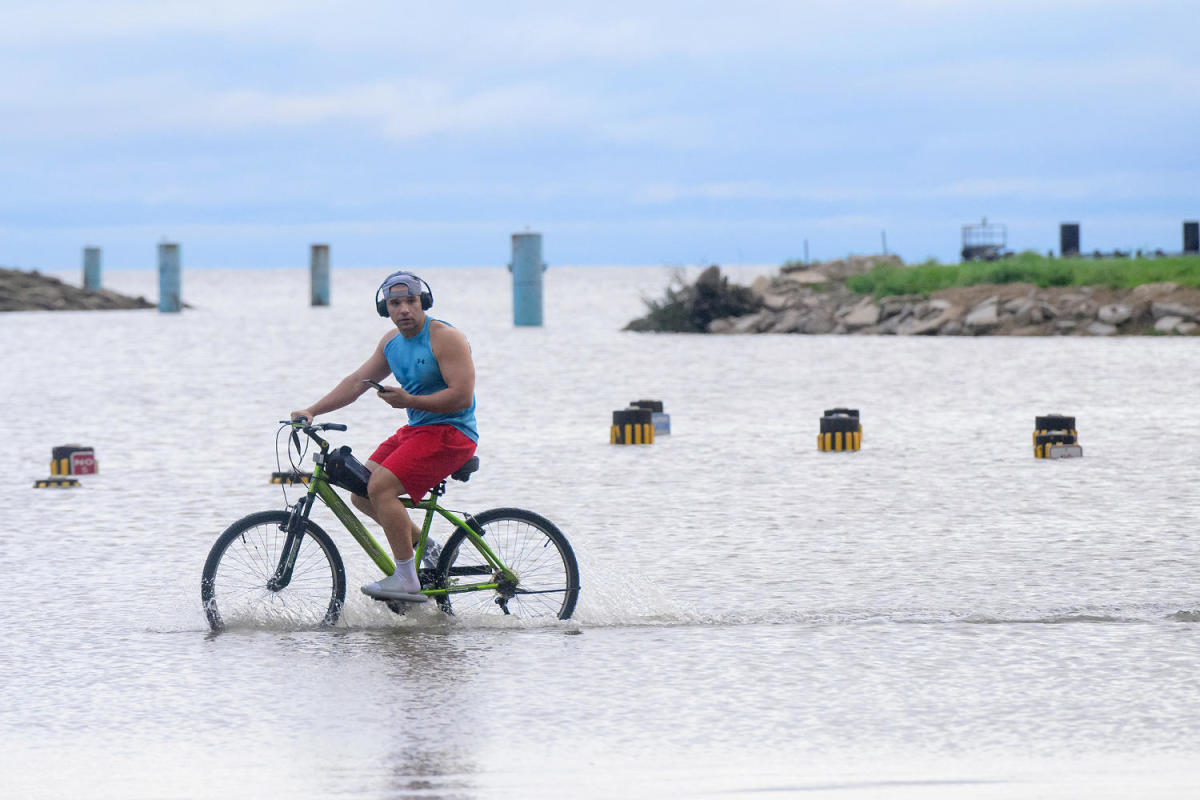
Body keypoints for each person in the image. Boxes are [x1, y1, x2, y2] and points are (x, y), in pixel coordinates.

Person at [290, 270, 478, 603]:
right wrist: (312, 410)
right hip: (417, 430)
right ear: (385, 309)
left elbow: (462, 397)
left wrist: (409, 401)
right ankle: (428, 548)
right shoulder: (391, 343)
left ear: (424, 302)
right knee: (362, 490)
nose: (404, 309)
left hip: (453, 432)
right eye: (395, 303)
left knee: (381, 487)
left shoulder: (445, 338)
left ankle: (406, 580)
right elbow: (355, 383)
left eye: (410, 301)